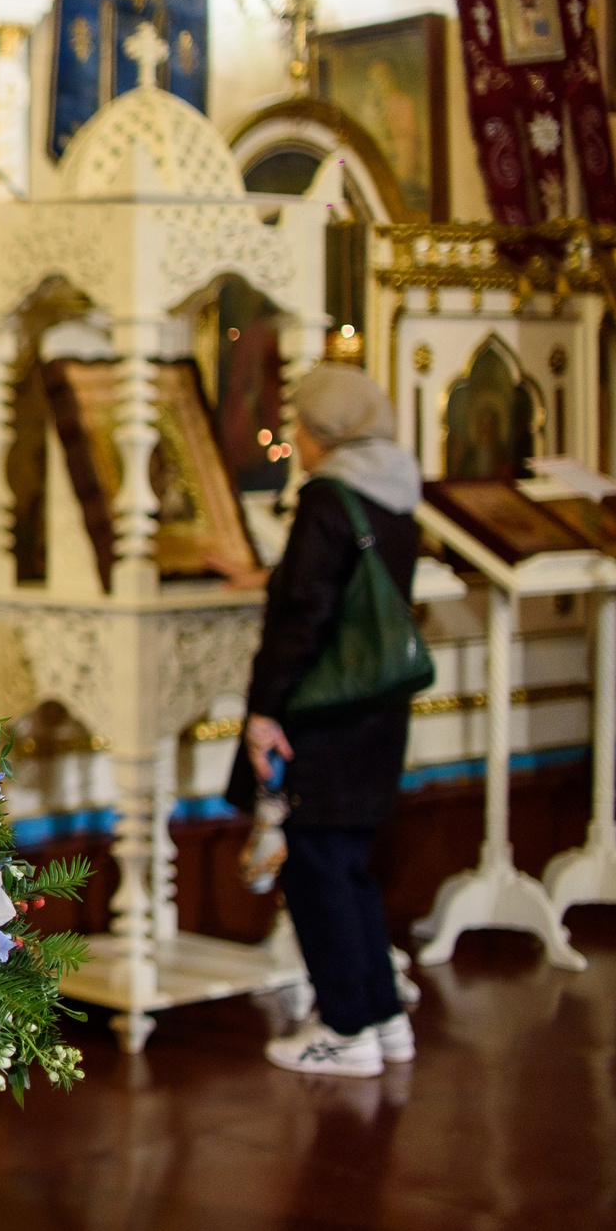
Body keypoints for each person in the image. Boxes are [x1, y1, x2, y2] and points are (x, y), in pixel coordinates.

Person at [218, 365, 423, 1078]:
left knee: (314, 868)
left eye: (299, 426)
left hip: (323, 710)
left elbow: (303, 615)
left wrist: (266, 709)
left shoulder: (329, 498)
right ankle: (383, 1014)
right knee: (351, 865)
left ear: (326, 433)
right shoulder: (395, 489)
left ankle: (343, 1027)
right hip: (377, 708)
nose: (294, 439)